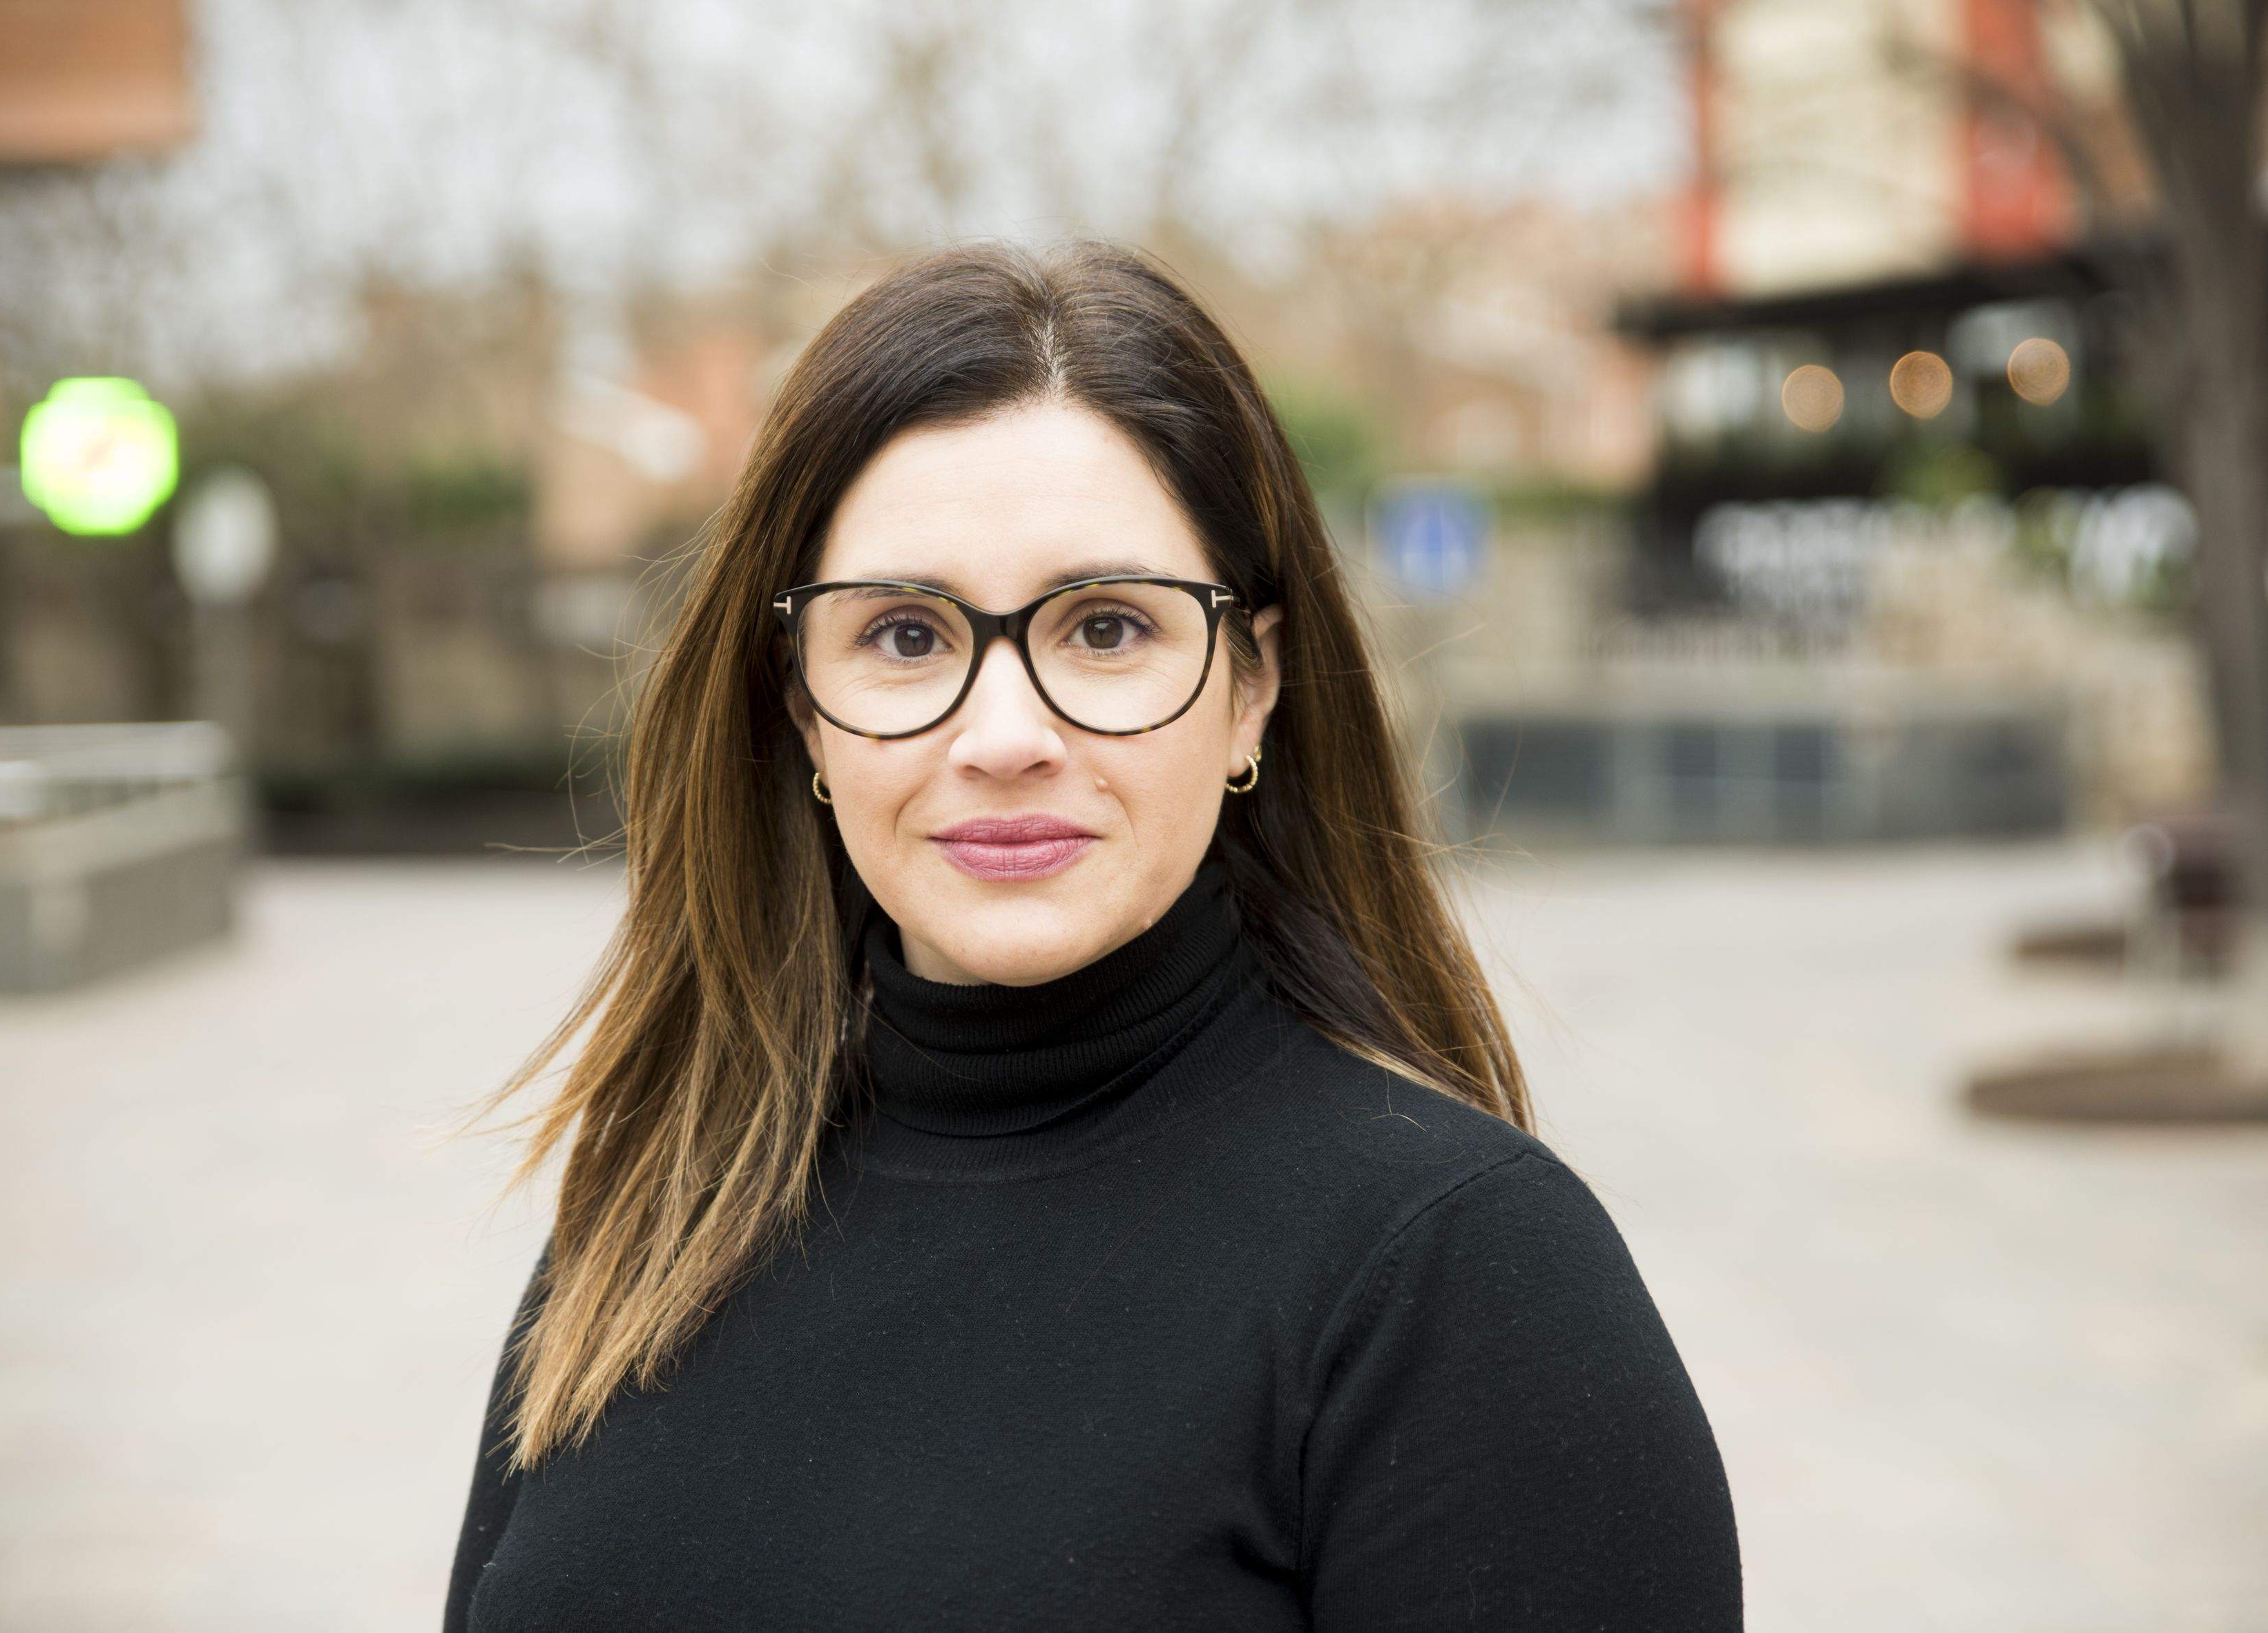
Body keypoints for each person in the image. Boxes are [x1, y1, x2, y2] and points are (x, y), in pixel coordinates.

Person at [442, 237, 1742, 1631]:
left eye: (1107, 628)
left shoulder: (1459, 1280)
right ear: (801, 707)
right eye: (902, 637)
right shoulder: (663, 1199)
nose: (1002, 736)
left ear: (1251, 687)